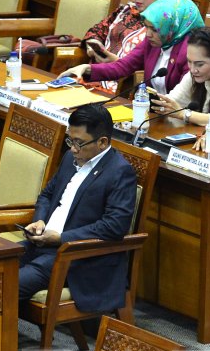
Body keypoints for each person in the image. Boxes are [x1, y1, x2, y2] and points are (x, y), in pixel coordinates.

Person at [18, 103, 137, 313]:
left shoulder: (119, 172)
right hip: (41, 242)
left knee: (8, 283)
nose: (72, 148)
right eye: (70, 140)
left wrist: (61, 238)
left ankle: (2, 344)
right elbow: (47, 195)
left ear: (102, 142)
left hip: (75, 257)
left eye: (79, 143)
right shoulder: (70, 157)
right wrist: (40, 220)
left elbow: (114, 226)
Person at [61, 0, 204, 94]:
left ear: (172, 27)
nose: (147, 34)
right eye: (146, 27)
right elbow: (123, 66)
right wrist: (86, 69)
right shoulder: (152, 42)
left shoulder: (191, 52)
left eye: (154, 29)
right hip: (154, 113)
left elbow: (184, 98)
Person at [79, 0, 173, 91]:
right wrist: (94, 45)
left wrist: (118, 62)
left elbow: (158, 68)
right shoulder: (126, 11)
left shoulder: (167, 25)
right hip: (93, 76)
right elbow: (97, 30)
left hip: (124, 88)